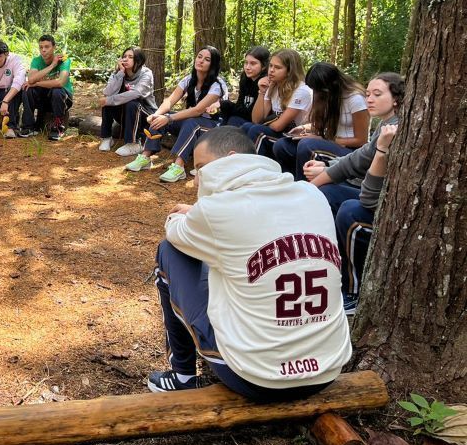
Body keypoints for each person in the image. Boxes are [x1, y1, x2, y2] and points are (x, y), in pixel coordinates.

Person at [148, 126, 351, 400]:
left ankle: (182, 375)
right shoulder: (312, 195)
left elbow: (175, 230)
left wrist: (190, 213)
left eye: (202, 168)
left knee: (169, 251)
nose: (196, 181)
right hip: (327, 369)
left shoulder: (215, 211)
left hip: (255, 378)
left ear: (232, 159)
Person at [304, 73, 403, 314]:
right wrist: (310, 186)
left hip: (394, 214)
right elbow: (354, 162)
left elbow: (369, 200)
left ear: (397, 99)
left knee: (351, 211)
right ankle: (330, 264)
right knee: (326, 192)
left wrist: (381, 152)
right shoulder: (386, 125)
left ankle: (354, 292)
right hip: (375, 195)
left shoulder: (397, 130)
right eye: (368, 94)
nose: (369, 99)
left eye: (377, 94)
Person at [126, 46, 227, 183]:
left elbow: (198, 110)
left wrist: (168, 118)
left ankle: (179, 167)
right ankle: (145, 157)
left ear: (213, 64)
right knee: (161, 117)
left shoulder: (217, 84)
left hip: (212, 127)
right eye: (199, 56)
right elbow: (170, 101)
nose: (201, 61)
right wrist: (157, 114)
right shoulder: (189, 79)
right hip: (193, 120)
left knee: (190, 122)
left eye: (207, 59)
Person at [272, 62, 369, 179]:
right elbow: (320, 126)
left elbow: (360, 140)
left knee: (307, 145)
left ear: (328, 87)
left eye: (317, 90)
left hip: (350, 151)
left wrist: (323, 139)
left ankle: (302, 187)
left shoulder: (355, 99)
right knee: (282, 145)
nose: (315, 93)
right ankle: (289, 180)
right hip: (330, 141)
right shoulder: (323, 96)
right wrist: (303, 129)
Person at [244, 48, 311, 159]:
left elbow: (278, 126)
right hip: (282, 133)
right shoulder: (273, 86)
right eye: (270, 66)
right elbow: (257, 119)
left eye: (277, 67)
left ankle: (251, 168)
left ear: (290, 71)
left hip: (297, 137)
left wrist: (264, 124)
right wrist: (261, 92)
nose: (271, 70)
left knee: (257, 131)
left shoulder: (301, 91)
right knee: (247, 126)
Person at [98, 46, 157, 157]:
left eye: (130, 57)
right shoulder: (118, 73)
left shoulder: (146, 73)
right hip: (127, 116)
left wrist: (109, 100)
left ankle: (134, 143)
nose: (126, 59)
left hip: (146, 115)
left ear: (138, 60)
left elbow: (136, 93)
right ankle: (106, 138)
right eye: (124, 56)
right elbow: (108, 92)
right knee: (108, 103)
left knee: (130, 102)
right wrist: (120, 73)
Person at [21, 34, 73, 141]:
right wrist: (52, 66)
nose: (43, 50)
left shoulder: (64, 60)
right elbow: (30, 80)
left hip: (63, 99)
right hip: (44, 99)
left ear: (54, 47)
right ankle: (29, 126)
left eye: (47, 47)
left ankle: (58, 127)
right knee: (28, 89)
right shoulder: (36, 60)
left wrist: (37, 83)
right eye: (41, 47)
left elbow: (60, 82)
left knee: (57, 91)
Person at [220, 46, 269, 127]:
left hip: (256, 124)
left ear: (263, 66)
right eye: (246, 63)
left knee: (233, 119)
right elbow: (240, 104)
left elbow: (254, 117)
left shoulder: (265, 83)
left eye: (253, 63)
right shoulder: (244, 78)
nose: (247, 67)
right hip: (242, 118)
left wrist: (227, 105)